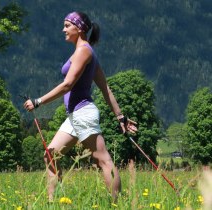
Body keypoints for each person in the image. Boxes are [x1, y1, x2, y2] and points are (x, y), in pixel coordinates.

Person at [23, 11, 137, 202]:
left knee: (102, 159)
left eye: (67, 25)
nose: (63, 30)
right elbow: (106, 89)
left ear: (80, 28)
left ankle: (117, 204)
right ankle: (54, 203)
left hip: (83, 113)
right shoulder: (84, 52)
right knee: (50, 156)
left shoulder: (84, 51)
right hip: (74, 115)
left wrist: (38, 101)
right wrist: (120, 117)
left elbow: (68, 84)